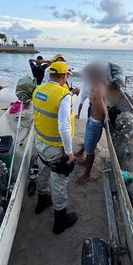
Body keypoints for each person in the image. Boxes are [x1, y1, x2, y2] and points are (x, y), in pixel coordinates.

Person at [32, 61, 77, 234]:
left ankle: (42, 200)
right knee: (59, 182)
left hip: (41, 142)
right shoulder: (63, 95)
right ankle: (60, 220)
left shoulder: (38, 90)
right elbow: (64, 126)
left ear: (50, 74)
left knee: (42, 172)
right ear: (64, 76)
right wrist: (69, 152)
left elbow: (37, 115)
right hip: (56, 147)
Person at [75, 64, 108, 184]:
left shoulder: (99, 86)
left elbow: (102, 106)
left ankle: (87, 174)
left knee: (90, 149)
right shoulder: (97, 84)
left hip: (95, 122)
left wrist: (104, 119)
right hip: (92, 119)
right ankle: (85, 162)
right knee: (88, 145)